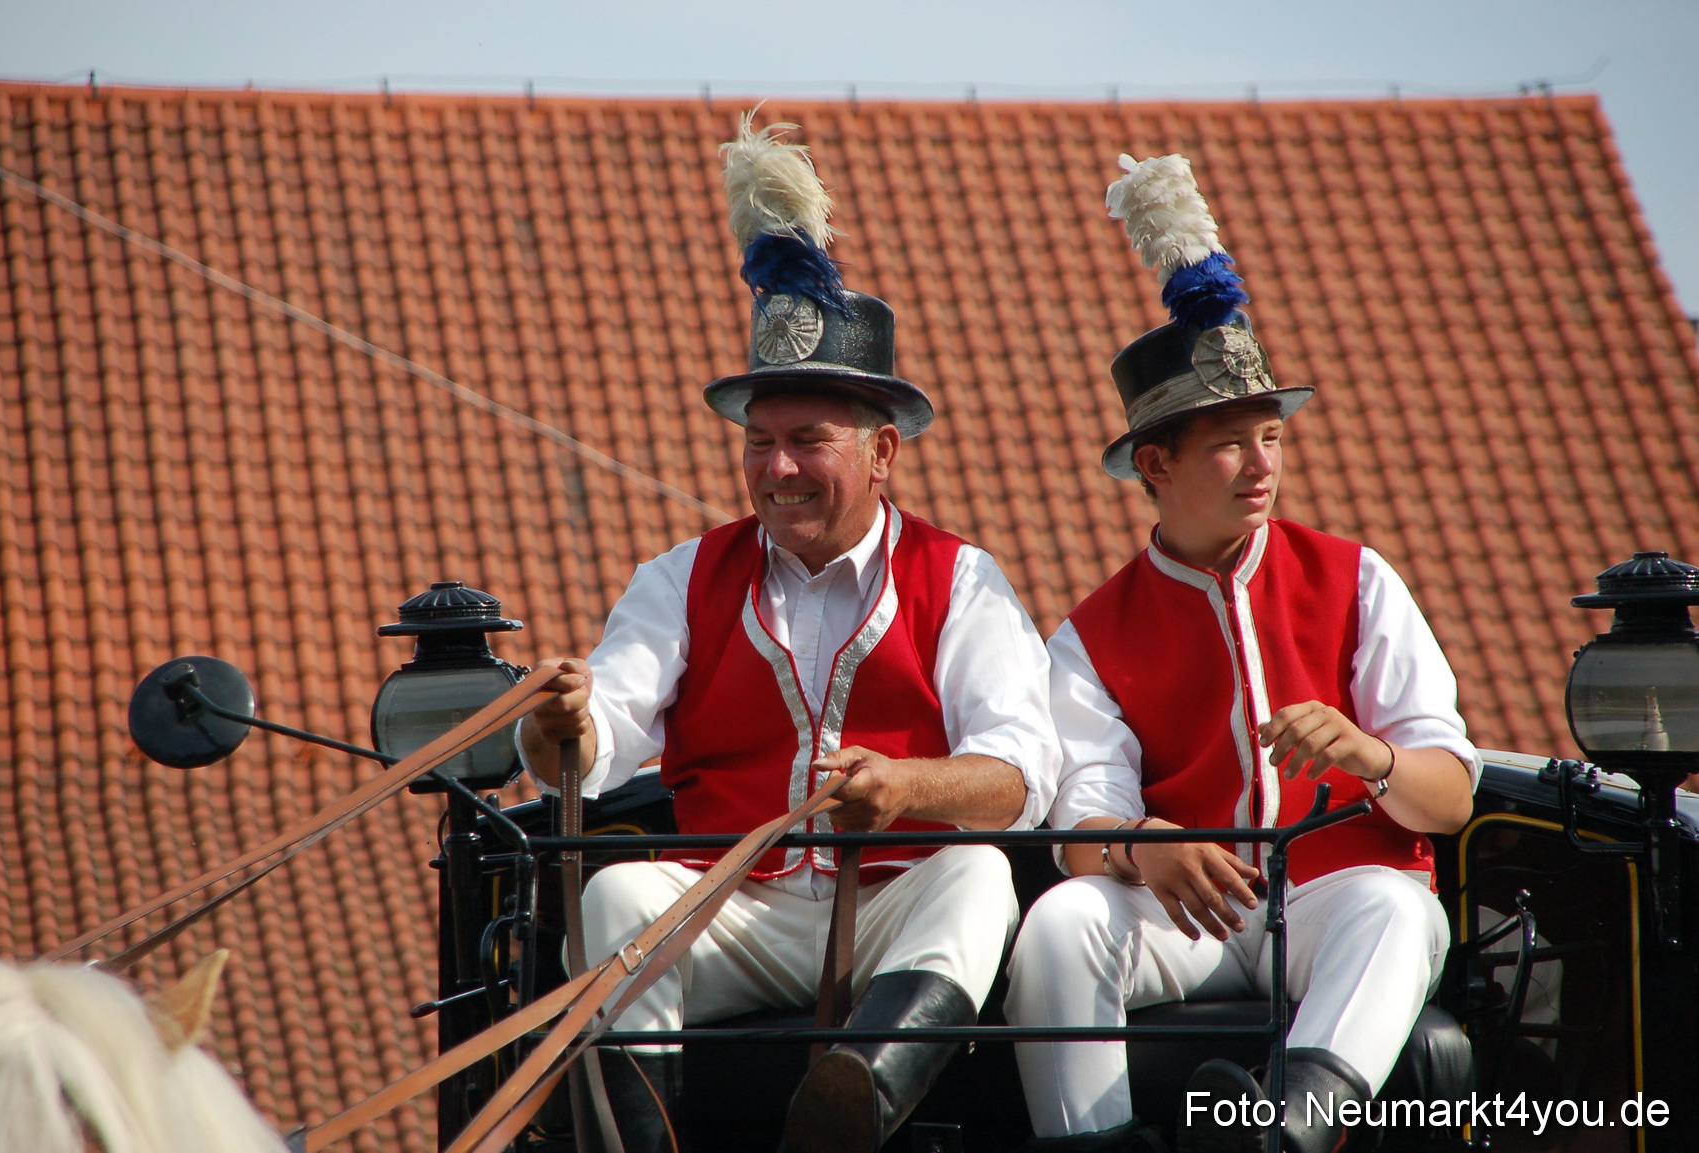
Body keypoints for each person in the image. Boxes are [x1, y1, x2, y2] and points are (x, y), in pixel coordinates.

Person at [517, 115, 1058, 1153]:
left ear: (884, 451)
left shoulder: (963, 579)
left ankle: (849, 1105)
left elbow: (1022, 775)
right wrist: (563, 723)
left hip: (899, 905)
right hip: (734, 906)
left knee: (980, 873)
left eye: (809, 441)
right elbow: (591, 745)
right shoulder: (679, 577)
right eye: (759, 443)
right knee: (618, 889)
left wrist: (908, 788)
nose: (776, 469)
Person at [1004, 154, 1480, 1153]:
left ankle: (1282, 1136)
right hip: (1185, 916)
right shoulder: (1088, 634)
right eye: (1231, 442)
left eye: (1271, 435)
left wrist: (1368, 754)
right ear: (1156, 464)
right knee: (1059, 924)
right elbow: (1076, 825)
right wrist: (1147, 845)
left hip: (1332, 901)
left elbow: (1449, 798)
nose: (1262, 463)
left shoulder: (1359, 577)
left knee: (1397, 907)